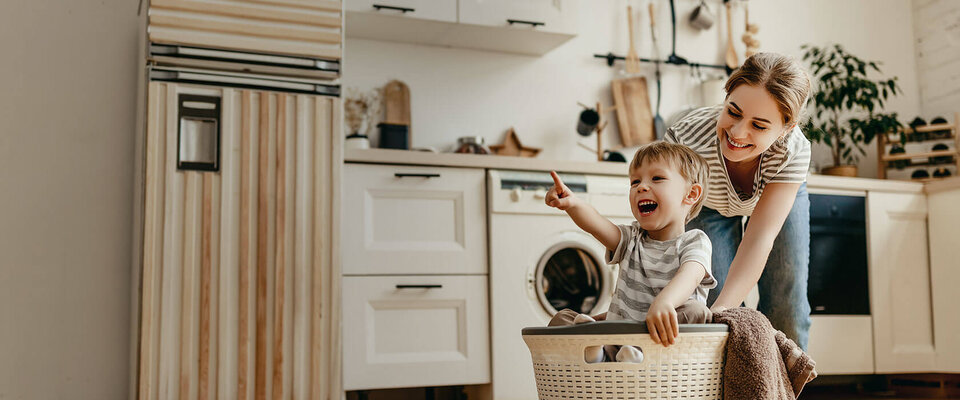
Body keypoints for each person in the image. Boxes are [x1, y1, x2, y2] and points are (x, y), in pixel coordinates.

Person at [665, 52, 814, 349]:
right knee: (719, 301)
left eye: (759, 126)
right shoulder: (684, 140)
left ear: (786, 128)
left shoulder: (793, 150)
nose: (737, 132)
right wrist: (720, 311)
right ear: (726, 97)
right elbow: (667, 227)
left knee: (788, 301)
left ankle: (784, 392)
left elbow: (760, 238)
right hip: (708, 203)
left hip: (775, 196)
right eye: (733, 112)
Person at [544, 142, 716, 361]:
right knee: (563, 319)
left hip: (662, 342)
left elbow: (690, 276)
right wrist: (573, 204)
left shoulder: (695, 241)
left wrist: (665, 302)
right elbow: (597, 225)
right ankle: (597, 352)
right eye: (635, 181)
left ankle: (633, 355)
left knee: (697, 313)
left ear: (691, 194)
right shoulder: (632, 238)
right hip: (617, 337)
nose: (641, 187)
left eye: (657, 178)